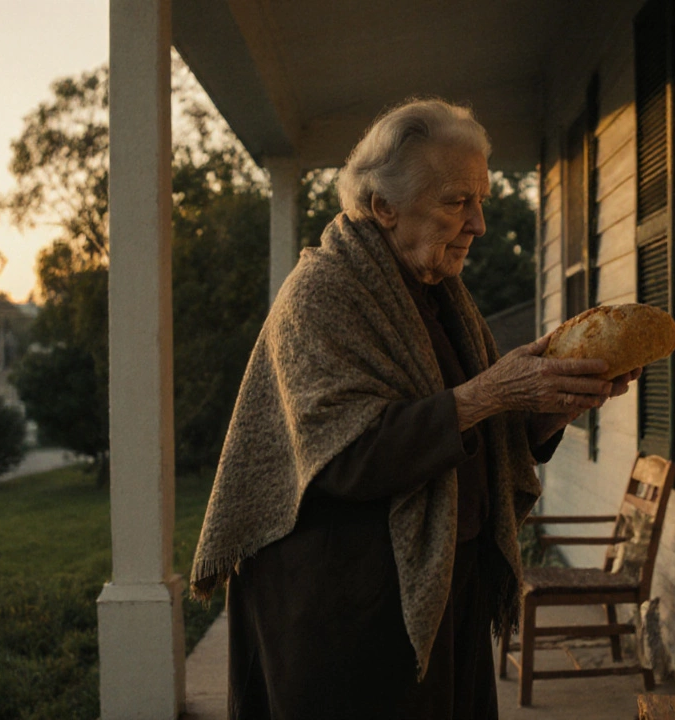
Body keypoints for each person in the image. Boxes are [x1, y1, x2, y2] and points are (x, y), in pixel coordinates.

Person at [190, 98, 642, 720]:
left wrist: (548, 408)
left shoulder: (438, 291)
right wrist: (493, 391)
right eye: (458, 201)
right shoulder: (323, 294)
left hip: (437, 591)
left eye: (480, 200)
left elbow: (473, 426)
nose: (479, 224)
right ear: (383, 207)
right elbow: (345, 455)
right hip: (346, 613)